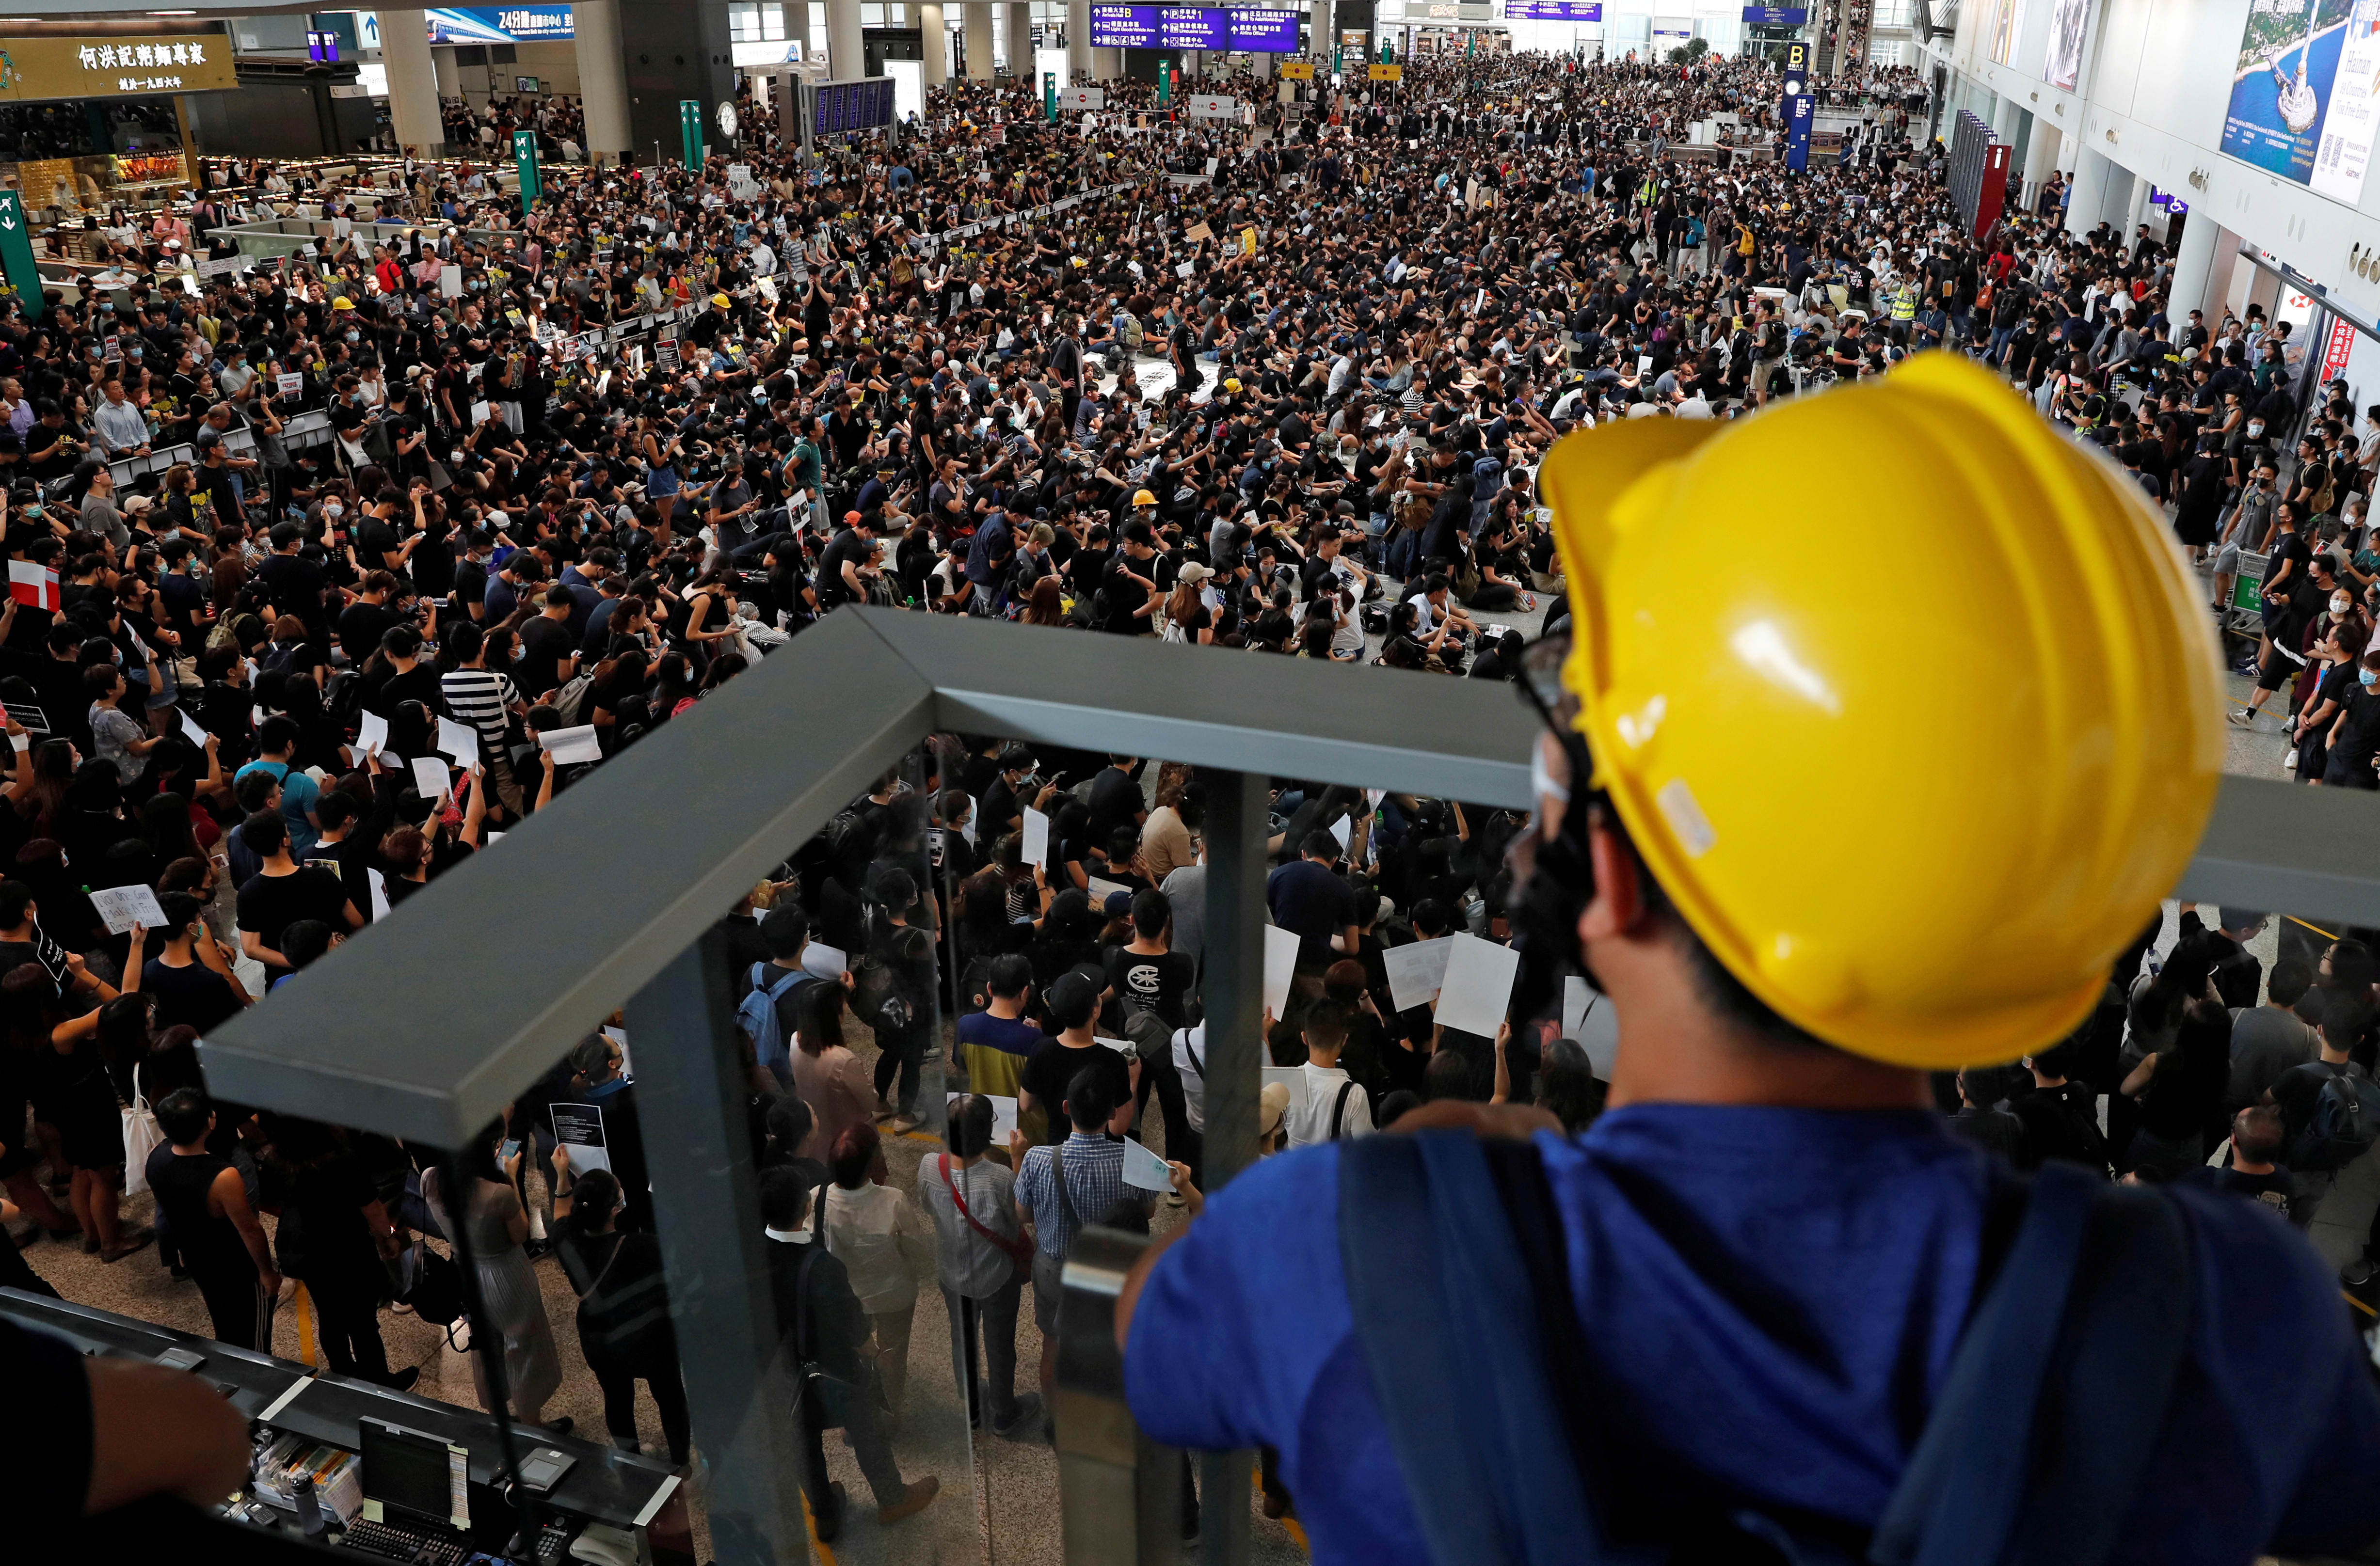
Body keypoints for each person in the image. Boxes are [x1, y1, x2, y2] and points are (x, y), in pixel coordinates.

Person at [1110, 359, 2380, 1566]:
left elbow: (1145, 1336)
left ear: (1608, 873)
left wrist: (1413, 1189)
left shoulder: (1339, 1256)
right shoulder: (2221, 1321)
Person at [760, 1167, 940, 1542]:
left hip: (781, 1374)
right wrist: (875, 1352)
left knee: (802, 1440)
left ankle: (824, 1511)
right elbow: (853, 1327)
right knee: (867, 1429)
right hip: (834, 1372)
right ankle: (892, 1498)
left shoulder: (749, 1258)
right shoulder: (822, 1267)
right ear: (806, 1206)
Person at [1013, 1065, 1141, 1418]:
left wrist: (1016, 1158)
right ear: (1113, 1113)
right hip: (1108, 1270)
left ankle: (1057, 1419)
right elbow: (1144, 1211)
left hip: (1055, 1268)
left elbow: (1022, 1215)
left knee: (1052, 1347)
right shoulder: (1129, 1160)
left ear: (1066, 1107)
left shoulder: (1037, 1159)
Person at [422, 1128, 567, 1430]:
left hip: (466, 1273)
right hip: (505, 1275)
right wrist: (511, 1177)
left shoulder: (430, 1179)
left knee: (485, 1346)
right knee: (523, 1347)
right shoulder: (497, 1193)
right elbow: (520, 1235)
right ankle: (532, 1424)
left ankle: (497, 1416)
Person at [549, 1159, 690, 1467]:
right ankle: (681, 1465)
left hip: (601, 1339)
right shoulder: (647, 1247)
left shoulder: (566, 1240)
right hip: (652, 1340)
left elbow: (559, 1215)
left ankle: (631, 1460)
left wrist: (561, 1175)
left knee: (617, 1400)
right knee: (670, 1399)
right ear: (616, 1209)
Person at [920, 1094, 1040, 1438]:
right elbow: (1022, 1215)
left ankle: (970, 1404)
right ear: (989, 1132)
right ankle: (1004, 1412)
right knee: (1000, 1344)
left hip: (950, 1273)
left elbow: (927, 1205)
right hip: (996, 1277)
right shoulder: (999, 1177)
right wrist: (1018, 1159)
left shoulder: (929, 1165)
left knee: (962, 1337)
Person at [818, 1123, 935, 1417]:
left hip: (847, 1299)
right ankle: (889, 1413)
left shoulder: (817, 1199)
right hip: (894, 1295)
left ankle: (853, 1417)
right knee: (893, 1355)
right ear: (872, 1164)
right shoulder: (893, 1200)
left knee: (851, 1355)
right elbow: (916, 1248)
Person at [146, 1089, 278, 1349]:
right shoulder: (223, 1176)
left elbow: (171, 1209)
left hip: (198, 1260)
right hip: (235, 1269)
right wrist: (267, 1271)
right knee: (255, 1340)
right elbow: (250, 1230)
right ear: (211, 1121)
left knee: (226, 1324)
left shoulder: (156, 1158)